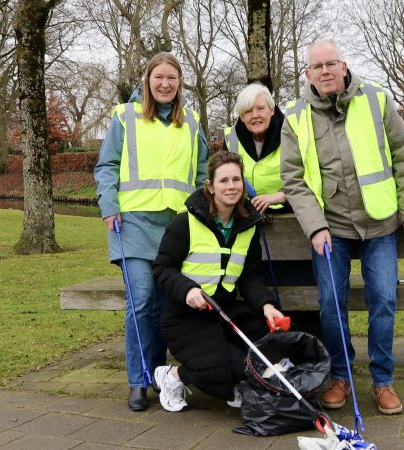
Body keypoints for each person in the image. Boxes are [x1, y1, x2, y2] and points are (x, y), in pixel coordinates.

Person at [280, 38, 404, 415]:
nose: (325, 71)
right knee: (330, 303)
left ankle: (383, 381)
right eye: (318, 66)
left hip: (379, 224)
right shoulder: (295, 118)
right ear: (307, 74)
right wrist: (314, 227)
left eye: (331, 63)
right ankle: (340, 376)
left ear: (344, 67)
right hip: (331, 228)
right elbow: (293, 180)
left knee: (384, 300)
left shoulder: (377, 101)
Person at [93, 52, 209, 412]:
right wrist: (109, 205)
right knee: (141, 301)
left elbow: (203, 169)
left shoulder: (190, 120)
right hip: (132, 224)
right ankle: (138, 380)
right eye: (158, 77)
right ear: (147, 80)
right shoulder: (125, 117)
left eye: (172, 78)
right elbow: (107, 165)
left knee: (163, 305)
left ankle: (160, 375)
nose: (164, 84)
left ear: (179, 83)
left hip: (175, 227)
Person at [151, 150, 285, 412]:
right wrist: (187, 289)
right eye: (223, 181)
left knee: (270, 350)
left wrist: (267, 306)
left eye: (237, 179)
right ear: (210, 186)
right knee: (230, 369)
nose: (231, 186)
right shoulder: (184, 223)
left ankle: (235, 380)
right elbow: (162, 270)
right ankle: (172, 377)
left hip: (224, 312)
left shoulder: (247, 225)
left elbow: (250, 276)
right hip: (185, 317)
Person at [223, 83, 290, 214]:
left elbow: (309, 177)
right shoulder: (230, 138)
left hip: (288, 214)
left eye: (260, 108)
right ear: (241, 117)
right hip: (244, 215)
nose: (255, 115)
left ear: (272, 110)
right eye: (248, 111)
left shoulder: (292, 133)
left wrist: (283, 195)